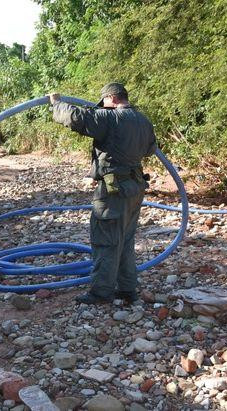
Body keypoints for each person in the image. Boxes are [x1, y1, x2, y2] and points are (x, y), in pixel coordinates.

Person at [49, 83, 156, 305]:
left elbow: (79, 118)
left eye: (105, 103)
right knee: (125, 240)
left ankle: (101, 292)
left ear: (112, 98)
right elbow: (150, 149)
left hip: (113, 191)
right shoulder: (143, 120)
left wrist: (56, 104)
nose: (103, 107)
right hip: (134, 189)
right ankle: (127, 289)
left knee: (106, 241)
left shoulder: (111, 118)